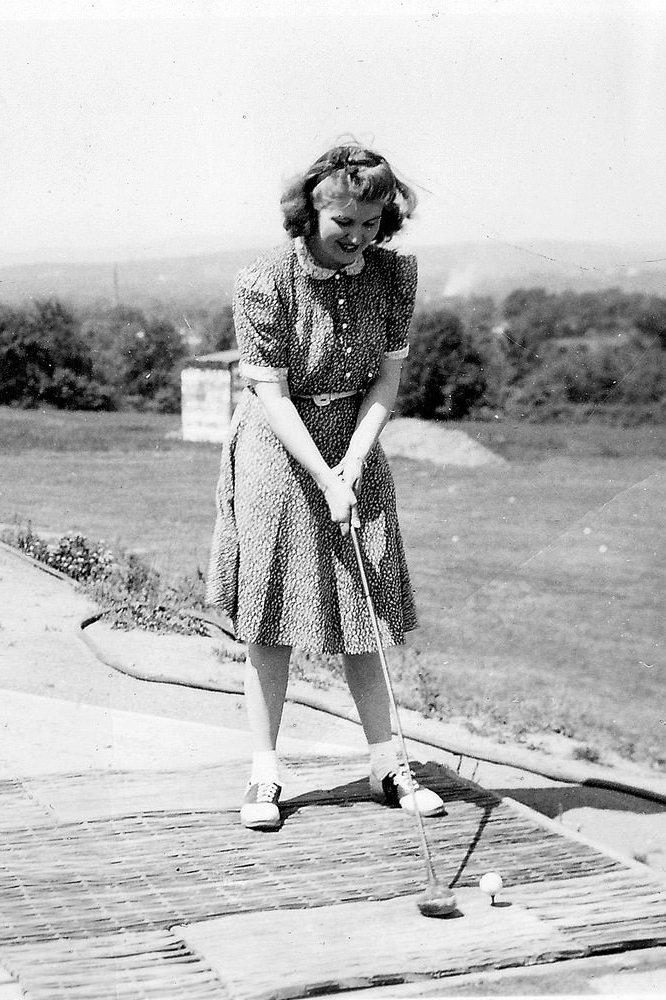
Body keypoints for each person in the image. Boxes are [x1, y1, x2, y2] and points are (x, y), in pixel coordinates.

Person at [206, 143, 445, 830]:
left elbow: (386, 382)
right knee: (273, 616)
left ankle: (387, 766)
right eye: (345, 222)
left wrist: (353, 466)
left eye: (372, 222)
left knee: (362, 607)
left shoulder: (394, 279)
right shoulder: (264, 281)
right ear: (310, 208)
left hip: (354, 439)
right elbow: (273, 397)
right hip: (276, 450)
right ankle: (264, 777)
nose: (360, 237)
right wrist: (322, 474)